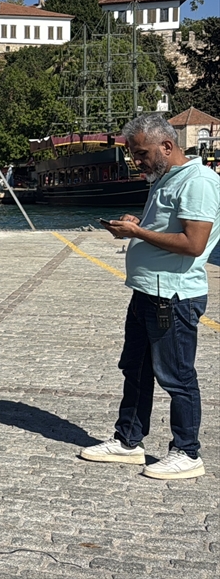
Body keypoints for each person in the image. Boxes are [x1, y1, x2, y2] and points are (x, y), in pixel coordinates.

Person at [80, 114, 219, 480]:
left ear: (167, 146)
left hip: (171, 295)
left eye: (141, 154)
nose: (136, 162)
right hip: (148, 291)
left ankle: (187, 452)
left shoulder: (198, 181)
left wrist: (138, 232)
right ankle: (128, 441)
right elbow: (165, 229)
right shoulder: (166, 178)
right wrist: (135, 226)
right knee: (136, 369)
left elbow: (194, 243)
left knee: (176, 376)